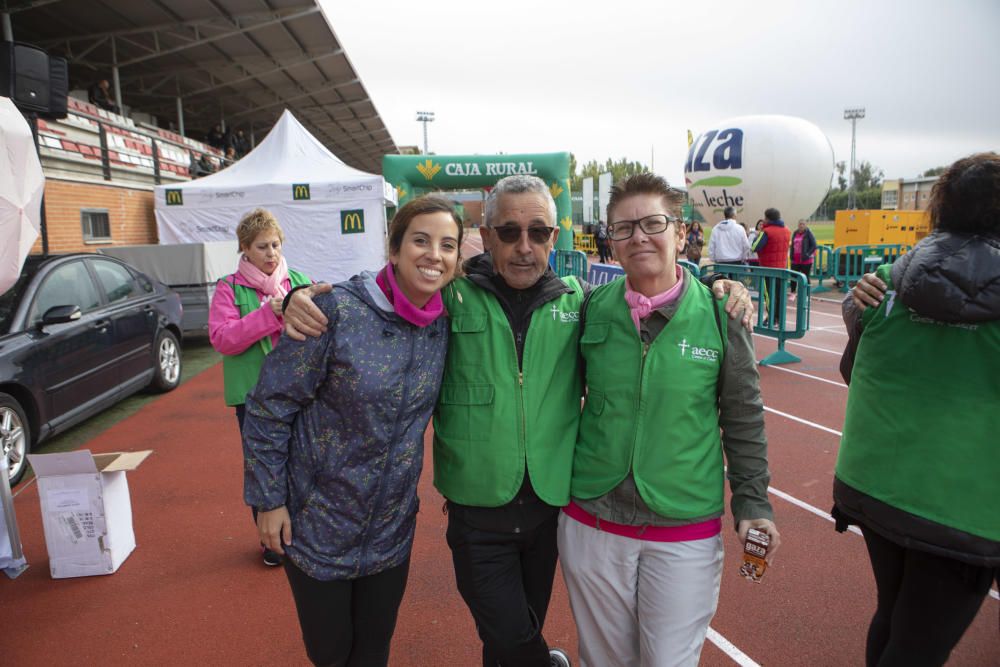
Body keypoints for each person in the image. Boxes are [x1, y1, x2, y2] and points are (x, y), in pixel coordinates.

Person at [282, 175, 756, 667]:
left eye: (538, 233)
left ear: (555, 238)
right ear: (486, 239)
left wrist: (724, 287)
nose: (524, 247)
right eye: (508, 232)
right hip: (477, 511)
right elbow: (389, 292)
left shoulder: (582, 303)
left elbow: (656, 304)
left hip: (550, 512)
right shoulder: (451, 296)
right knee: (512, 637)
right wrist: (290, 300)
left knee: (504, 644)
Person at [559, 173, 779, 667]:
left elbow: (743, 416)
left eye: (653, 223)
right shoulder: (589, 308)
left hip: (683, 527)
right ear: (611, 244)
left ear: (681, 234)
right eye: (624, 228)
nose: (639, 236)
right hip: (594, 520)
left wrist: (752, 502)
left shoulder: (723, 312)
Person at [243, 195, 463, 667]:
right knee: (331, 655)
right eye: (420, 241)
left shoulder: (446, 323)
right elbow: (268, 408)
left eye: (448, 245)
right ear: (394, 248)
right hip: (317, 523)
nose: (434, 255)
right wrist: (269, 500)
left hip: (390, 529)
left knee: (373, 652)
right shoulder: (335, 311)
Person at [833, 152, 1000, 667]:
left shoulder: (883, 282)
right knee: (917, 646)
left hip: (874, 483)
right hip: (963, 508)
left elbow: (852, 369)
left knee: (895, 617)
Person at [208, 208, 312, 566]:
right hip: (253, 398)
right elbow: (223, 339)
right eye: (262, 246)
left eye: (276, 244)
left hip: (299, 392)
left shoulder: (298, 278)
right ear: (245, 249)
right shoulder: (228, 287)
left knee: (303, 462)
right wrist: (270, 314)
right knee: (264, 467)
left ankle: (303, 533)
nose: (271, 253)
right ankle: (273, 544)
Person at [788, 219, 817, 296]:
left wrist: (807, 254)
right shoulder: (795, 233)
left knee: (805, 277)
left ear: (806, 225)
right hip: (795, 260)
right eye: (800, 224)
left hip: (806, 260)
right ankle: (793, 293)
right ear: (798, 225)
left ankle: (807, 295)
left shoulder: (808, 233)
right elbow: (793, 245)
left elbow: (814, 245)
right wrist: (791, 256)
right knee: (793, 277)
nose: (801, 225)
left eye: (803, 224)